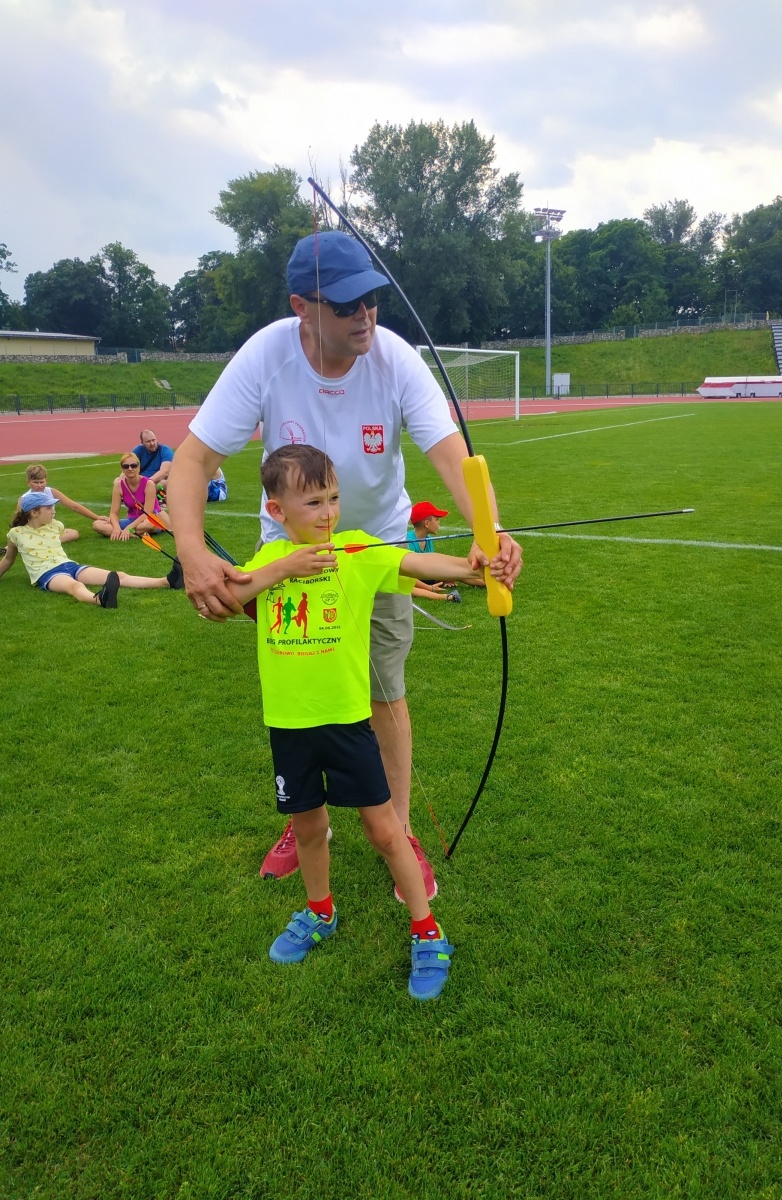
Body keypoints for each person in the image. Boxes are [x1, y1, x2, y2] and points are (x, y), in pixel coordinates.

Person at [166, 229, 523, 895]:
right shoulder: (266, 356)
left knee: (382, 689)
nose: (366, 317)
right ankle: (308, 822)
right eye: (348, 306)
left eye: (373, 303)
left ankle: (400, 826)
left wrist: (486, 530)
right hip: (293, 556)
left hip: (377, 551)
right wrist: (192, 551)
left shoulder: (395, 360)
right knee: (301, 691)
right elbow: (193, 460)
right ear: (303, 307)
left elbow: (450, 452)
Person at [220, 445, 484, 998]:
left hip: (346, 723)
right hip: (290, 726)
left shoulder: (357, 550)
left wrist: (471, 564)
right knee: (310, 827)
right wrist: (284, 567)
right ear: (276, 510)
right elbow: (223, 596)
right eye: (313, 501)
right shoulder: (261, 567)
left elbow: (414, 562)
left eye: (333, 498)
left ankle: (427, 932)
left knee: (387, 831)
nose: (327, 513)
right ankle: (320, 913)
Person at [1, 489, 183, 606]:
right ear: (33, 512)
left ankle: (167, 581)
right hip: (47, 574)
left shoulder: (55, 525)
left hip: (70, 565)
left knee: (118, 575)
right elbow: (8, 559)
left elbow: (68, 534)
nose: (53, 511)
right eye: (48, 508)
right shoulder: (16, 533)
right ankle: (99, 599)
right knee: (74, 586)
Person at [17, 463, 103, 543]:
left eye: (42, 482)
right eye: (35, 482)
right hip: (34, 528)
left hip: (50, 525)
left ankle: (41, 542)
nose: (39, 485)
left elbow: (74, 506)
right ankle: (39, 541)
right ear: (28, 482)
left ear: (46, 480)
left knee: (74, 534)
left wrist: (96, 517)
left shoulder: (51, 491)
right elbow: (19, 518)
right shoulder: (24, 498)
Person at [93, 454, 172, 541]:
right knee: (97, 524)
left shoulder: (148, 484)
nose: (130, 469)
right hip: (132, 519)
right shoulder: (119, 486)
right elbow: (113, 513)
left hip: (150, 519)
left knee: (147, 524)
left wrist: (128, 528)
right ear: (122, 469)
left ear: (139, 467)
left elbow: (147, 513)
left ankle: (128, 532)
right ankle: (135, 534)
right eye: (126, 466)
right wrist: (116, 527)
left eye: (133, 466)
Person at [406, 501, 461, 603]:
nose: (439, 522)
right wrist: (429, 587)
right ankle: (447, 597)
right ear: (427, 523)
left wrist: (446, 576)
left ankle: (489, 582)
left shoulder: (428, 538)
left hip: (424, 575)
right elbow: (409, 576)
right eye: (437, 519)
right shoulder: (408, 542)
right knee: (408, 588)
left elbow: (430, 565)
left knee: (456, 571)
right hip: (413, 580)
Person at [133, 429, 174, 496]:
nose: (152, 444)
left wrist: (147, 483)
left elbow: (165, 472)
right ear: (142, 442)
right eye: (148, 441)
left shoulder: (165, 450)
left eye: (153, 440)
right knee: (117, 481)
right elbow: (128, 467)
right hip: (141, 482)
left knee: (163, 483)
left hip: (156, 481)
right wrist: (120, 482)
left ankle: (146, 495)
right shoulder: (138, 450)